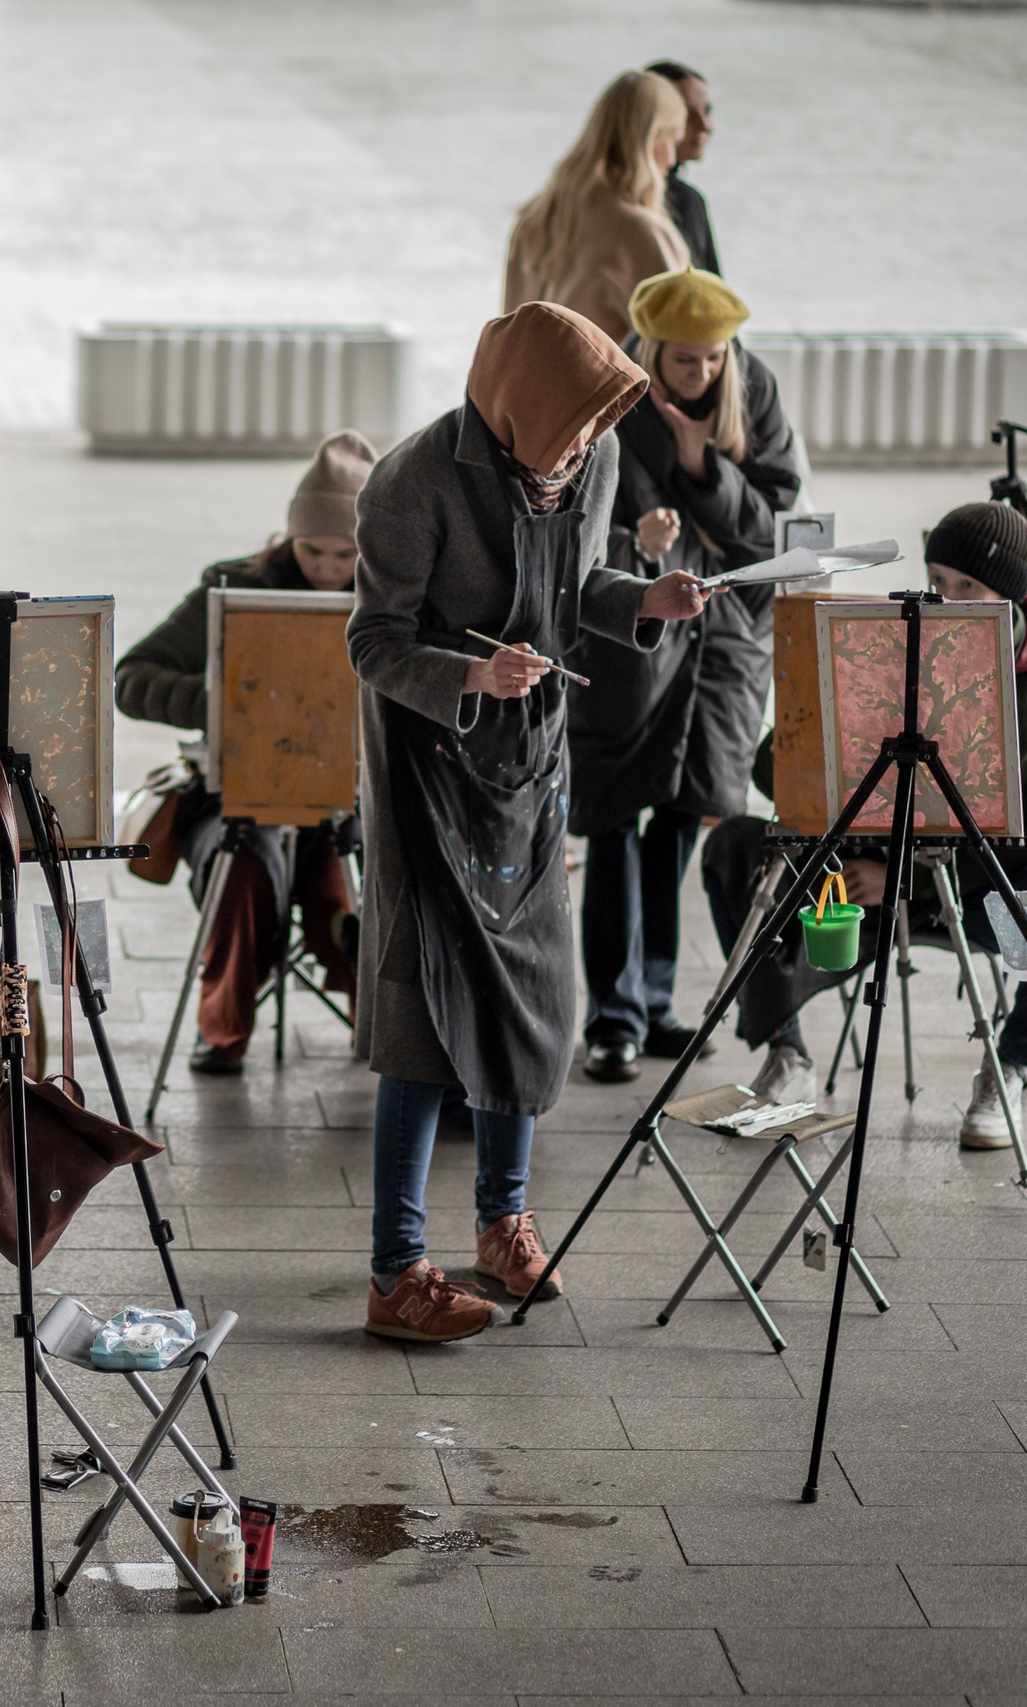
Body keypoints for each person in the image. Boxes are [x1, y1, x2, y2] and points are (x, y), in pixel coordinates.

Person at [348, 303, 712, 1342]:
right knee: (422, 1014)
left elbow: (573, 586)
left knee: (533, 998)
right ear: (520, 408)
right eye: (576, 419)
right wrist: (471, 673)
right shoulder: (411, 482)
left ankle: (503, 1223)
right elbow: (373, 642)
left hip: (530, 768)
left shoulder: (593, 461)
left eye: (599, 421)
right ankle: (395, 1271)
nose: (589, 441)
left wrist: (642, 602)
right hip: (429, 770)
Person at [701, 501, 1027, 1149]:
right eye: (938, 579)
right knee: (733, 847)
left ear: (1009, 595)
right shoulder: (894, 642)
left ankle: (1010, 1066)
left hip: (978, 892)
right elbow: (773, 774)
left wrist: (905, 876)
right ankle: (786, 1051)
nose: (947, 598)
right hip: (859, 885)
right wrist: (813, 690)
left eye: (968, 586)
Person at [571, 267, 800, 1083]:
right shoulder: (610, 394)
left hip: (725, 642)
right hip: (629, 639)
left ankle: (655, 1004)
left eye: (712, 358)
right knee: (611, 819)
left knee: (679, 818)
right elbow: (567, 519)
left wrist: (705, 466)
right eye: (683, 359)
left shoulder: (754, 391)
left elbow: (777, 534)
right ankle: (611, 1017)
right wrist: (638, 541)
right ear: (651, 348)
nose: (700, 372)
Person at [113, 432, 371, 1074]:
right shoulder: (232, 585)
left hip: (345, 800)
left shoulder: (388, 593)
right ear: (290, 537)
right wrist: (229, 703)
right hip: (233, 796)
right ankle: (224, 1024)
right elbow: (131, 679)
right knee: (246, 874)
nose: (328, 568)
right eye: (311, 550)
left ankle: (378, 1027)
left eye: (345, 555)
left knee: (349, 892)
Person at [503, 70, 692, 345]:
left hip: (526, 373)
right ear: (652, 136)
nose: (673, 159)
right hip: (596, 375)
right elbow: (685, 343)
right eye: (673, 141)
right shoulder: (639, 231)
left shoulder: (535, 217)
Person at [644, 60, 720, 275]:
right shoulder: (684, 201)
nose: (705, 126)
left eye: (707, 111)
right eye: (687, 114)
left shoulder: (584, 189)